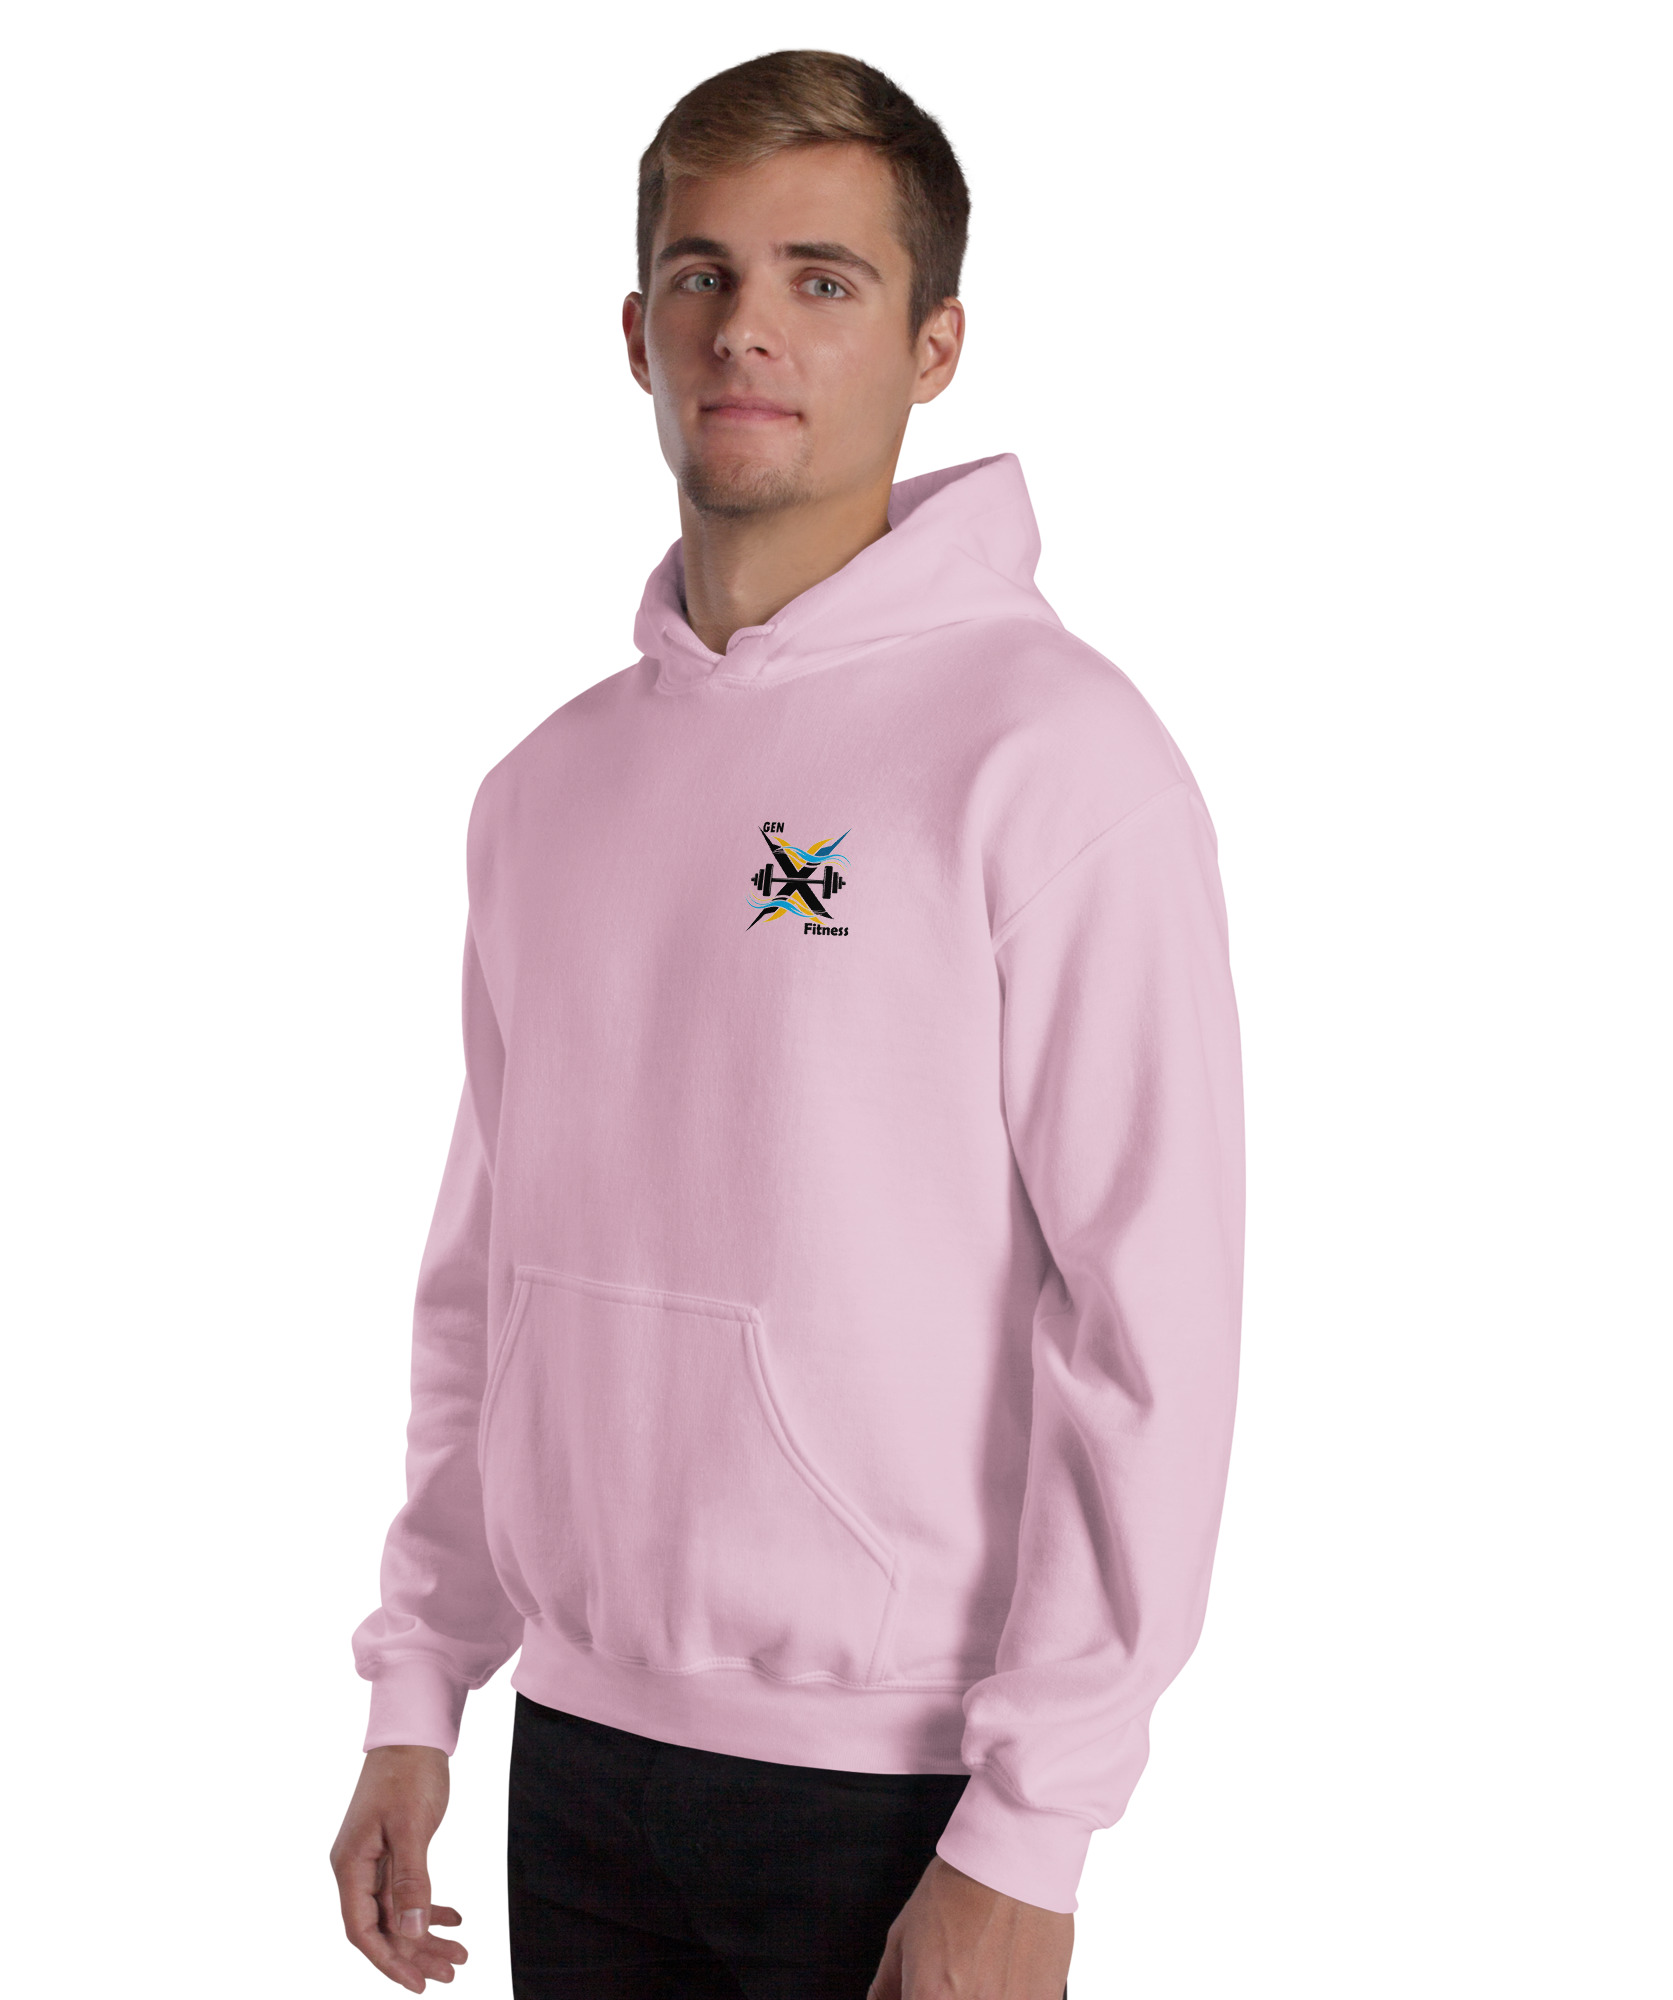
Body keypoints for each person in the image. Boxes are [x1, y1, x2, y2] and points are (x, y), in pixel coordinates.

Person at [330, 47, 1245, 1999]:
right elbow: (484, 1278)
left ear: (934, 346)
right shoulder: (545, 791)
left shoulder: (1052, 759)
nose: (748, 327)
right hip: (578, 1750)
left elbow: (1149, 1317)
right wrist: (421, 1682)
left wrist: (1032, 1827)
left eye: (824, 280)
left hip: (893, 1782)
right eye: (705, 274)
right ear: (637, 331)